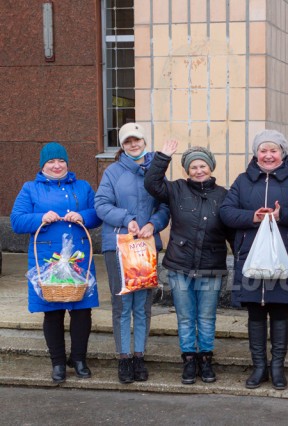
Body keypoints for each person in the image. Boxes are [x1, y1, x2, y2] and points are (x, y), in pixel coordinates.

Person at [220, 129, 288, 391]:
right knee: (255, 313)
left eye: (274, 150)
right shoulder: (242, 180)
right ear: (256, 153)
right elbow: (226, 212)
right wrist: (254, 216)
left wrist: (284, 215)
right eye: (264, 150)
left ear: (283, 153)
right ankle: (259, 366)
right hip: (250, 256)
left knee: (280, 312)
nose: (268, 155)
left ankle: (277, 368)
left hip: (283, 257)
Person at [11, 142, 102, 383]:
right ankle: (58, 362)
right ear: (42, 165)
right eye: (50, 162)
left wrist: (83, 215)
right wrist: (40, 217)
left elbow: (98, 213)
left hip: (79, 257)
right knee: (53, 311)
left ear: (67, 163)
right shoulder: (30, 189)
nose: (56, 165)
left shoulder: (82, 187)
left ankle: (79, 359)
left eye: (60, 161)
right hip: (46, 260)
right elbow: (17, 221)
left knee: (82, 310)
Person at [144, 139, 233, 385]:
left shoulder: (224, 195)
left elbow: (232, 230)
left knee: (206, 317)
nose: (198, 170)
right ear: (186, 170)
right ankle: (188, 359)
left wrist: (244, 257)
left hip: (211, 266)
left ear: (211, 167)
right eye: (193, 167)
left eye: (203, 165)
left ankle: (205, 359)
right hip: (180, 266)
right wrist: (163, 157)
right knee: (185, 317)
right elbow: (151, 183)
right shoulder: (176, 189)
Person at [94, 123, 170, 384]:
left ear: (144, 142)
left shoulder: (155, 172)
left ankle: (139, 355)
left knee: (143, 305)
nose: (133, 144)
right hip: (118, 246)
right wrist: (127, 219)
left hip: (146, 246)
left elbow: (165, 206)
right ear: (122, 145)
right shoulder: (113, 172)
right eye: (128, 141)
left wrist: (153, 224)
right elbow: (101, 204)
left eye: (136, 140)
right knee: (123, 304)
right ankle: (124, 358)